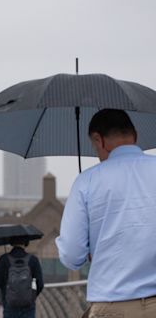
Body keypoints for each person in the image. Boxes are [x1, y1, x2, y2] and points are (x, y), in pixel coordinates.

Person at [56, 108, 156, 318]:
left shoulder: (87, 181)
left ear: (98, 139)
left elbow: (72, 255)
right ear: (135, 136)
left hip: (114, 305)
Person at [0, 238, 43, 318]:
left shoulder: (4, 259)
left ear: (11, 242)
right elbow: (40, 284)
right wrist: (30, 296)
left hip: (9, 305)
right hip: (28, 306)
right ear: (26, 242)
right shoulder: (33, 260)